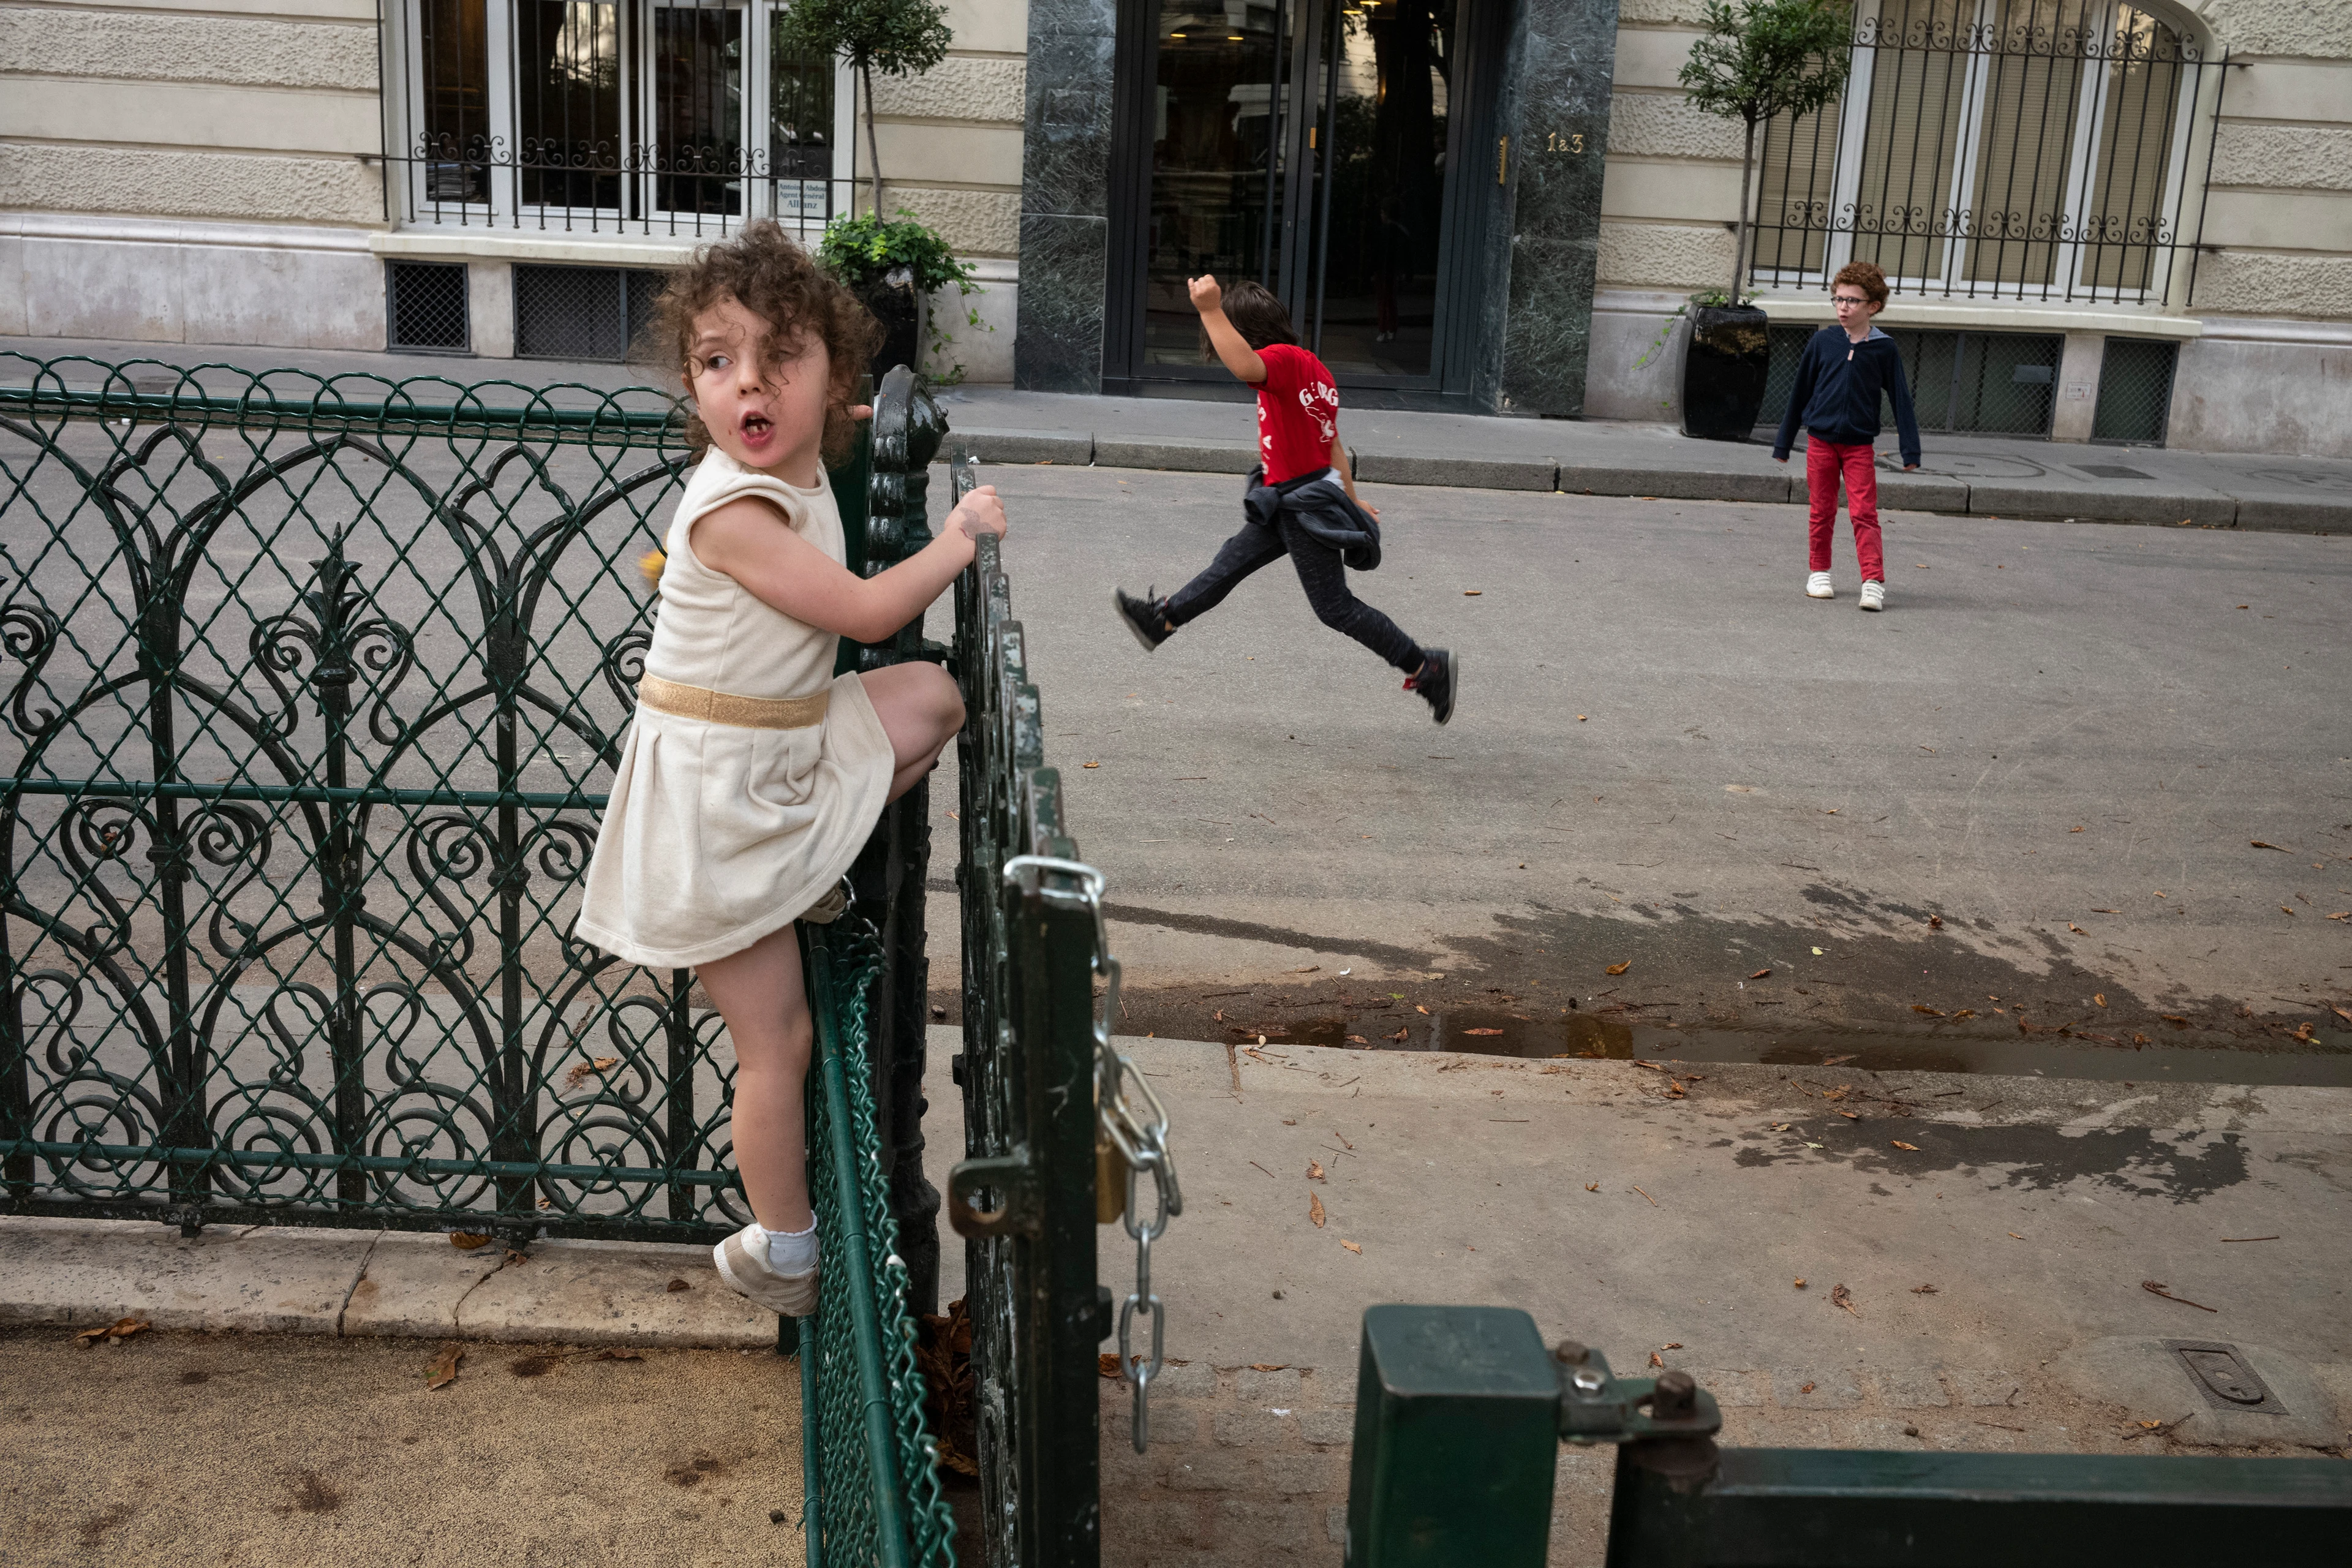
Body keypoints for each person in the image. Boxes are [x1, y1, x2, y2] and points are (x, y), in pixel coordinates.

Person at [575, 220, 1008, 1316]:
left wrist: (835, 429)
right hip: (715, 798)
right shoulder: (729, 515)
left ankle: (808, 869)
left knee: (932, 699)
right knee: (779, 1041)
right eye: (719, 362)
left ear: (832, 381)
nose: (748, 385)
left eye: (783, 360)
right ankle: (786, 1246)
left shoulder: (794, 457)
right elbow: (865, 609)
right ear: (692, 384)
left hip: (775, 744)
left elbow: (812, 460)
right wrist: (955, 539)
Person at [1113, 275, 1456, 723]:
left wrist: (1211, 309)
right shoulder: (1314, 368)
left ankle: (1425, 667)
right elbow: (1330, 443)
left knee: (1335, 608)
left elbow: (1244, 367)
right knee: (1230, 562)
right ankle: (1164, 619)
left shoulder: (1278, 362)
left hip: (1301, 503)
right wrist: (1353, 500)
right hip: (1288, 495)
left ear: (1245, 331)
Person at [1771, 260, 1922, 612]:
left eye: (1852, 301)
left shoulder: (1884, 348)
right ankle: (1819, 573)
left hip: (1858, 446)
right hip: (1821, 442)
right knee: (1821, 510)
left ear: (1873, 306)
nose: (1843, 307)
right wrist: (1783, 441)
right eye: (1838, 299)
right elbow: (1799, 393)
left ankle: (1872, 581)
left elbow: (1901, 399)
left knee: (1864, 513)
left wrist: (1910, 449)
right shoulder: (1823, 342)